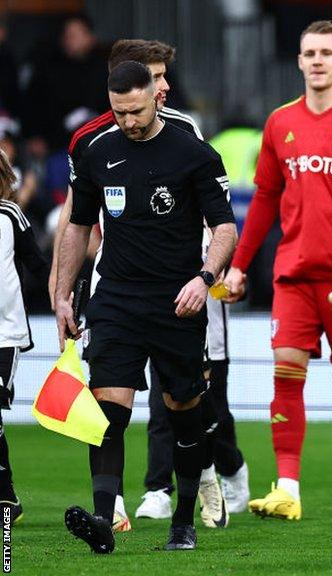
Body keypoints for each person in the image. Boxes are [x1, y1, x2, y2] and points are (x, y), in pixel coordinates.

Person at [52, 39, 242, 530]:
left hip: (178, 299)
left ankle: (183, 520)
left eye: (135, 111)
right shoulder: (95, 150)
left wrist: (206, 278)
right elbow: (76, 225)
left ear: (157, 98)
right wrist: (62, 293)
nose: (128, 122)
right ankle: (102, 520)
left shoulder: (193, 150)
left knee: (183, 410)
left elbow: (225, 227)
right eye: (119, 112)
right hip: (116, 296)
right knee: (107, 411)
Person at [222, 20, 332, 521]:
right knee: (285, 371)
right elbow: (263, 202)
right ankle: (288, 489)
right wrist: (238, 267)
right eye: (309, 53)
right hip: (294, 273)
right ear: (298, 61)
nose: (317, 60)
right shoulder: (279, 123)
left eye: (326, 52)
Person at [0, 150, 47, 524]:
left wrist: (63, 303)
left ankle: (6, 497)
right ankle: (7, 499)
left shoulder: (10, 216)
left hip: (5, 333)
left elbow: (37, 264)